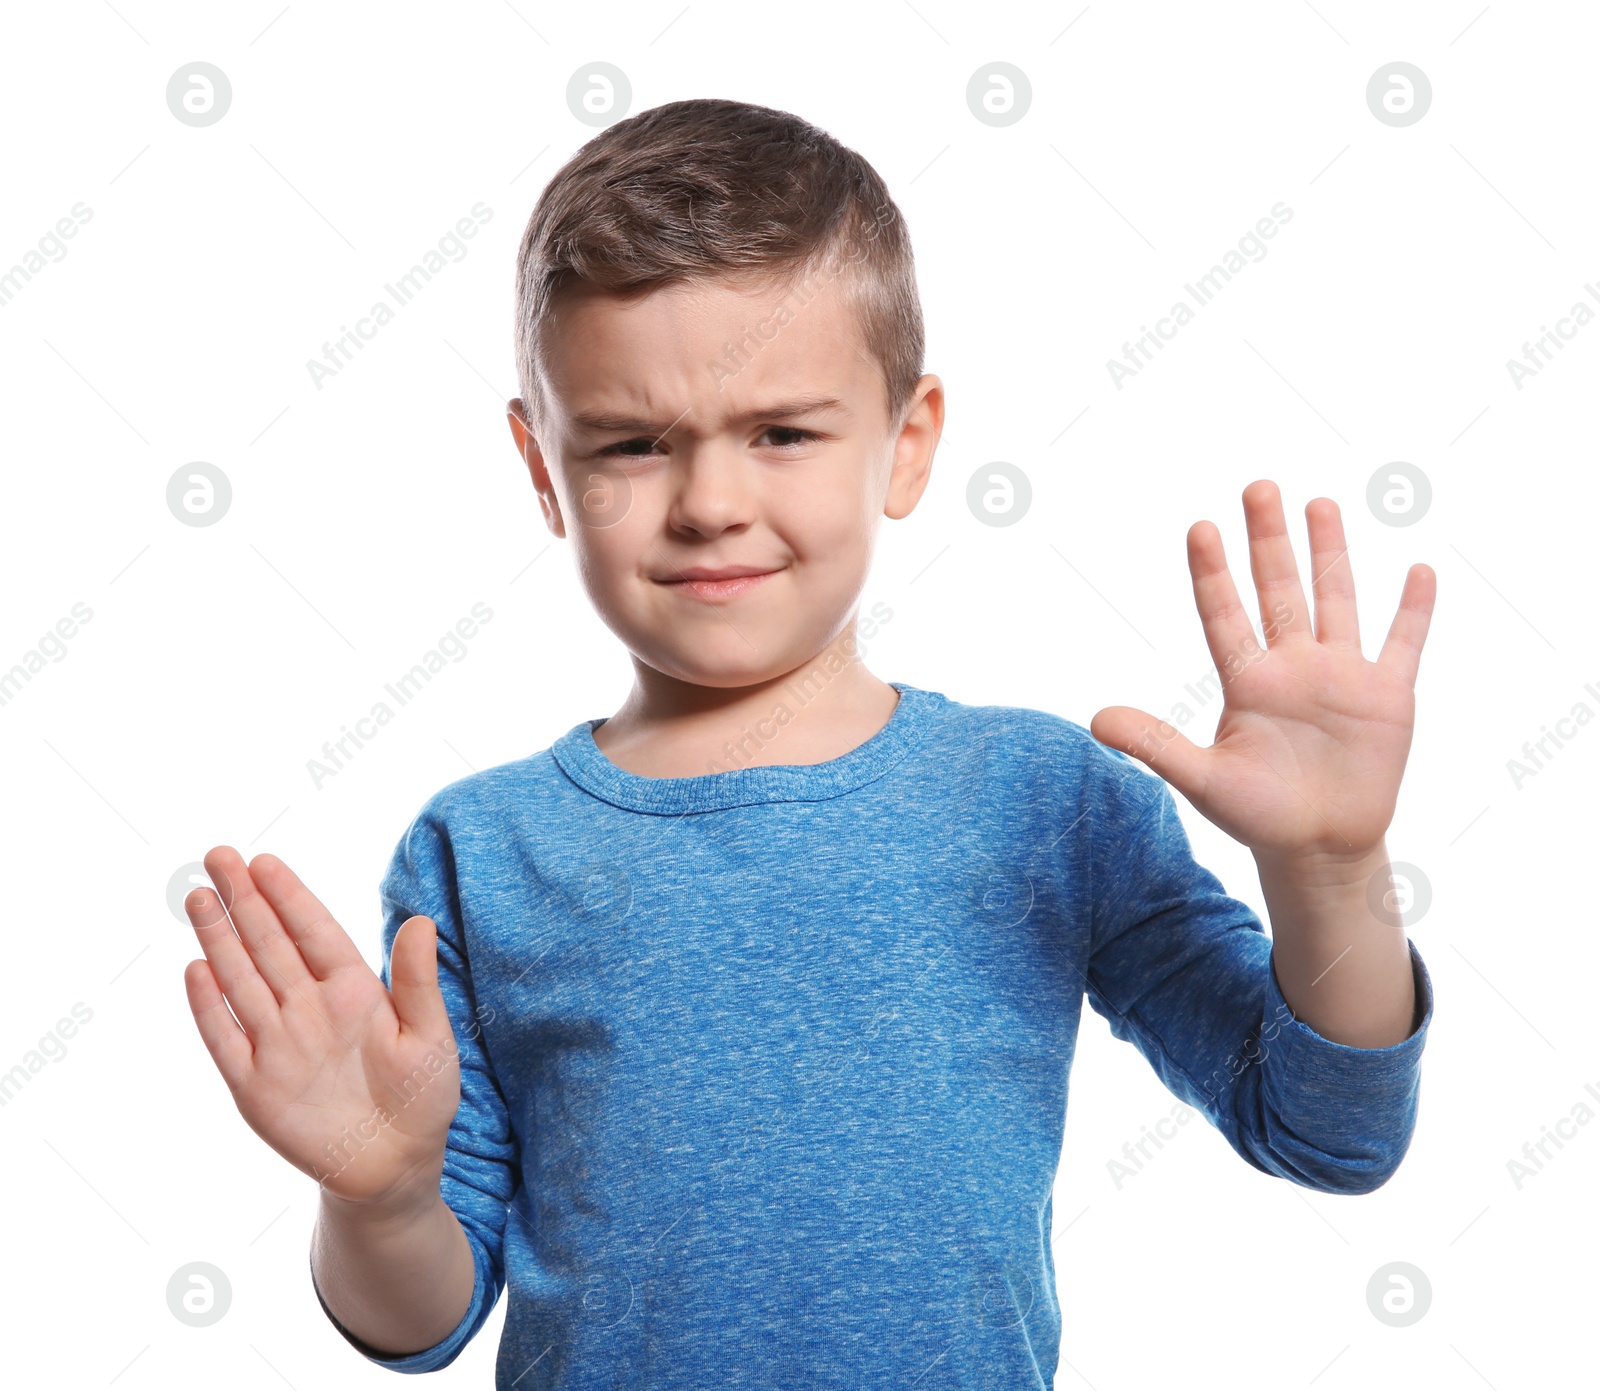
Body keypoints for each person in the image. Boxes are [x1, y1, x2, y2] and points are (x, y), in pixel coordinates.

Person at [180, 97, 1436, 1389]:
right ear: (545, 469)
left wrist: (1334, 869)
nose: (712, 505)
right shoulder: (481, 852)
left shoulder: (1042, 801)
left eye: (781, 432)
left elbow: (1328, 1131)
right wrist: (379, 1197)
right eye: (631, 445)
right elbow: (418, 1321)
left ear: (908, 441)